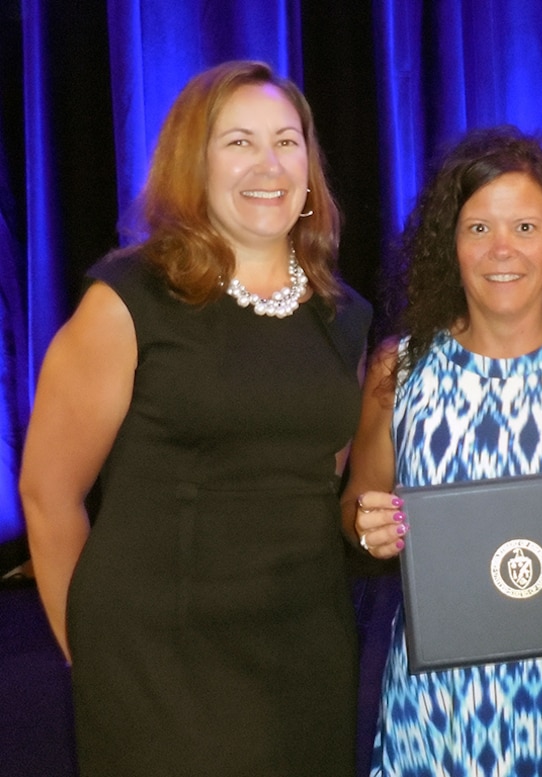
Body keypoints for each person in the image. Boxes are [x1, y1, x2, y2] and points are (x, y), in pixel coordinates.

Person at [19, 60, 371, 776]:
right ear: (194, 164)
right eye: (238, 142)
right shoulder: (128, 298)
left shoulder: (346, 317)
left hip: (307, 657)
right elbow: (47, 495)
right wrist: (92, 654)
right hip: (155, 668)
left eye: (286, 141)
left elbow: (316, 476)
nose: (268, 163)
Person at [341, 126, 542, 776]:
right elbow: (357, 506)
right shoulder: (398, 371)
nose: (502, 250)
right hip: (445, 716)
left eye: (524, 226)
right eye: (478, 228)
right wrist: (365, 527)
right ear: (451, 247)